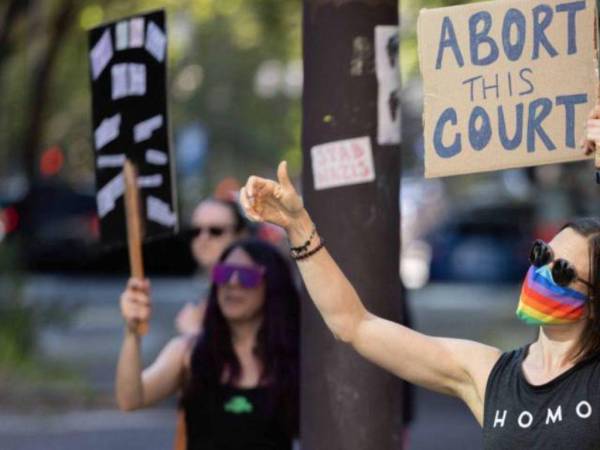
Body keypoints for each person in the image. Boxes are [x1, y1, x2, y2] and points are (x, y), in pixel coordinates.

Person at [240, 161, 600, 448]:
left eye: (564, 271)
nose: (543, 272)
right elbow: (353, 324)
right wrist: (299, 227)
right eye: (542, 254)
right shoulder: (488, 373)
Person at [116, 238, 300, 450]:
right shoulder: (187, 351)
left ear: (273, 285)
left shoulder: (294, 356)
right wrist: (132, 332)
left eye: (247, 276)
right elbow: (130, 399)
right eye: (224, 274)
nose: (232, 283)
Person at [176, 197, 250, 335]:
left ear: (241, 235)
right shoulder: (204, 295)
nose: (203, 239)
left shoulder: (253, 291)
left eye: (216, 231)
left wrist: (193, 336)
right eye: (196, 231)